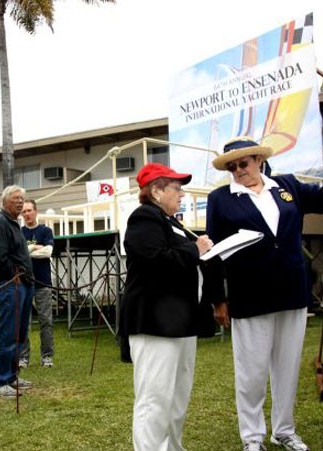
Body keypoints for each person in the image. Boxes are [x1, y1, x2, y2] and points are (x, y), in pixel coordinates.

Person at [204, 136, 323, 451]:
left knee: (287, 369)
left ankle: (284, 430)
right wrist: (219, 299)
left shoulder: (287, 186)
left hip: (291, 293)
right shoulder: (221, 199)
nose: (238, 170)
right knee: (252, 374)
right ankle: (253, 438)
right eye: (232, 167)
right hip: (250, 297)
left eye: (243, 163)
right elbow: (214, 253)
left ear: (259, 160)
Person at [120, 162, 215, 451]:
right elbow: (155, 261)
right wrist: (194, 249)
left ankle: (173, 447)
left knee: (176, 396)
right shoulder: (143, 218)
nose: (182, 194)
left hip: (177, 323)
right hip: (154, 324)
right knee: (155, 398)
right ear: (157, 191)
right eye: (176, 188)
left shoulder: (169, 222)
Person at [0, 185, 34, 398]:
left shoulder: (14, 224)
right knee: (8, 332)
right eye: (16, 198)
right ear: (5, 201)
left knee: (19, 333)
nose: (20, 202)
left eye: (22, 199)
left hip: (23, 284)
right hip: (10, 284)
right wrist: (12, 275)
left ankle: (11, 375)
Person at [19, 199, 55, 368]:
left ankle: (47, 356)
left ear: (35, 211)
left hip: (43, 283)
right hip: (23, 283)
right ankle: (23, 358)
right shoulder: (19, 232)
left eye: (29, 211)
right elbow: (18, 255)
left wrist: (28, 251)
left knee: (45, 321)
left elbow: (48, 252)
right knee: (23, 322)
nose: (27, 214)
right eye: (24, 211)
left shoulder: (45, 231)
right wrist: (35, 248)